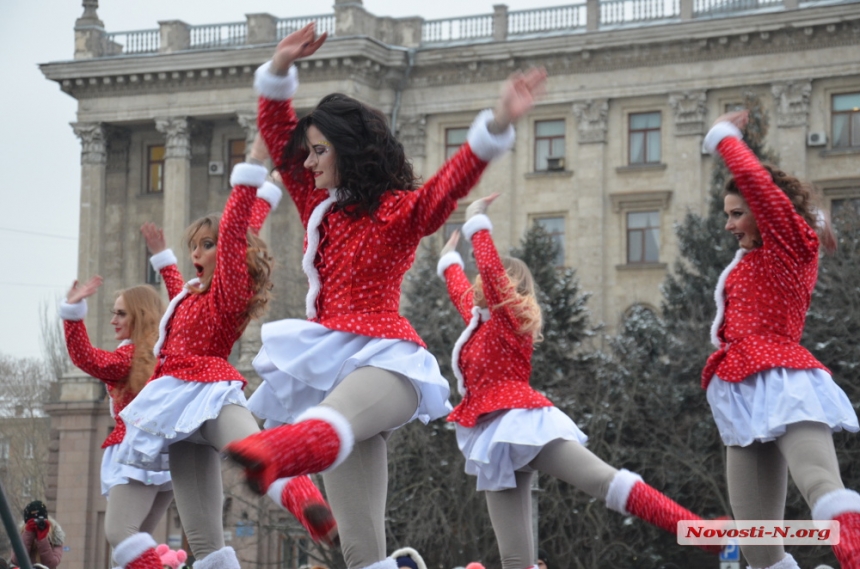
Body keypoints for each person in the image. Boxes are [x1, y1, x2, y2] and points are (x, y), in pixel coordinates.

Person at [224, 22, 546, 569]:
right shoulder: (315, 199)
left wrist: (495, 125)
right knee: (361, 547)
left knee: (328, 419)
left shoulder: (396, 210)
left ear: (348, 151)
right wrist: (278, 68)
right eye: (306, 154)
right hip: (332, 363)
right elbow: (278, 134)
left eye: (319, 152)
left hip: (387, 362)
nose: (307, 164)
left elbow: (446, 188)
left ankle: (277, 452)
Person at [435, 194, 720, 569]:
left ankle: (698, 530)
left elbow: (489, 272)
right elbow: (462, 289)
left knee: (604, 481)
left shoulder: (510, 320)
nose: (479, 284)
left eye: (492, 279)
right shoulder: (481, 321)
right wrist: (448, 260)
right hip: (492, 438)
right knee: (515, 558)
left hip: (523, 422)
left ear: (509, 284)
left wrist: (476, 223)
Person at [113, 142, 335, 569]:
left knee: (257, 449)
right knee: (204, 540)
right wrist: (162, 256)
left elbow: (238, 230)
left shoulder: (227, 293)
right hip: (172, 410)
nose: (195, 253)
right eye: (192, 246)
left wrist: (252, 170)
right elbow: (186, 274)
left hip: (207, 393)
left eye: (206, 245)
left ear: (231, 254)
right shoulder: (190, 294)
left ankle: (311, 506)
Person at [701, 110, 860, 569]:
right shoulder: (756, 255)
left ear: (764, 210)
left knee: (822, 488)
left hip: (784, 377)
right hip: (739, 391)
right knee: (758, 546)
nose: (729, 225)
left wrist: (726, 139)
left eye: (737, 213)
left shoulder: (788, 246)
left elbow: (760, 188)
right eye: (726, 215)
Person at [59, 276, 174, 561]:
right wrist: (164, 262)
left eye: (121, 313)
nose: (113, 320)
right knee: (135, 546)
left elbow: (86, 358)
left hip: (136, 454)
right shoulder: (165, 353)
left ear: (141, 315)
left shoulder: (130, 358)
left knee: (120, 536)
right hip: (164, 458)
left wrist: (72, 313)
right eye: (113, 312)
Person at [10, 501, 63, 569]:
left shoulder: (55, 537)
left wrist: (42, 539)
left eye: (39, 520)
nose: (37, 523)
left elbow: (51, 564)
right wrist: (28, 533)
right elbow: (16, 561)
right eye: (33, 521)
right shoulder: (20, 536)